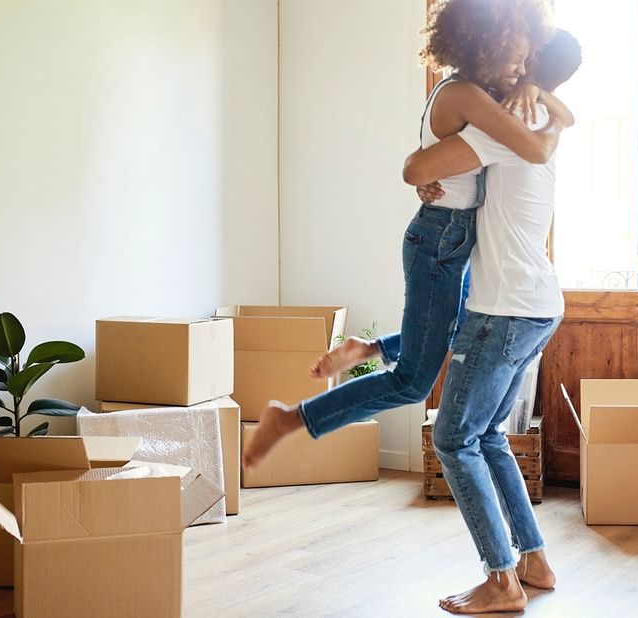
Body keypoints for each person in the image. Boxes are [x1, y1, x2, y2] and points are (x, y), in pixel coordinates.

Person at [242, 0, 558, 468]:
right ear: (482, 47)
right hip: (439, 240)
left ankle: (366, 350)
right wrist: (560, 121)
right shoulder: (466, 94)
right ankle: (289, 419)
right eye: (512, 55)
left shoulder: (474, 94)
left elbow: (424, 162)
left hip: (455, 235)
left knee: (459, 334)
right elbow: (526, 149)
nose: (518, 67)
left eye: (526, 58)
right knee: (413, 381)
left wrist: (533, 85)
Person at [402, 29, 582, 614]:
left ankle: (501, 581)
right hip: (538, 304)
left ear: (528, 66)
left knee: (453, 438)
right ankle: (533, 558)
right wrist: (557, 112)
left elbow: (418, 168)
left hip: (503, 308)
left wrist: (419, 168)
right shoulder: (533, 122)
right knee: (489, 436)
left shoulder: (501, 131)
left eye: (520, 55)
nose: (508, 64)